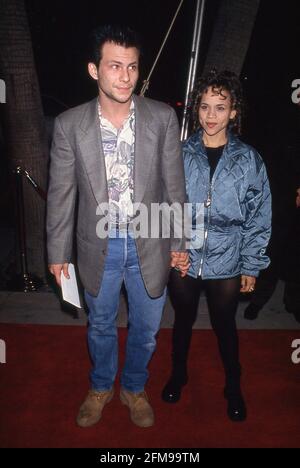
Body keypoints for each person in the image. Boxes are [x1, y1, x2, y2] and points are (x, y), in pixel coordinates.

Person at [46, 24, 188, 429]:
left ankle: (134, 387)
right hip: (97, 242)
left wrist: (181, 240)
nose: (125, 76)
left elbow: (175, 186)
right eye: (114, 66)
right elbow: (61, 194)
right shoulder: (70, 125)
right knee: (101, 325)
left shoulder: (161, 117)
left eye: (131, 67)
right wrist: (57, 254)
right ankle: (100, 385)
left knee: (146, 330)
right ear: (95, 70)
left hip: (152, 238)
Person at [161, 69, 272, 422]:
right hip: (186, 255)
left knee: (226, 325)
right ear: (197, 110)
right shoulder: (179, 153)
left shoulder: (249, 159)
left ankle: (233, 386)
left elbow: (260, 215)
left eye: (220, 107)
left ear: (233, 111)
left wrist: (252, 265)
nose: (211, 115)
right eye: (205, 107)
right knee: (182, 320)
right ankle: (178, 374)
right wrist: (171, 247)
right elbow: (165, 205)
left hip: (229, 256)